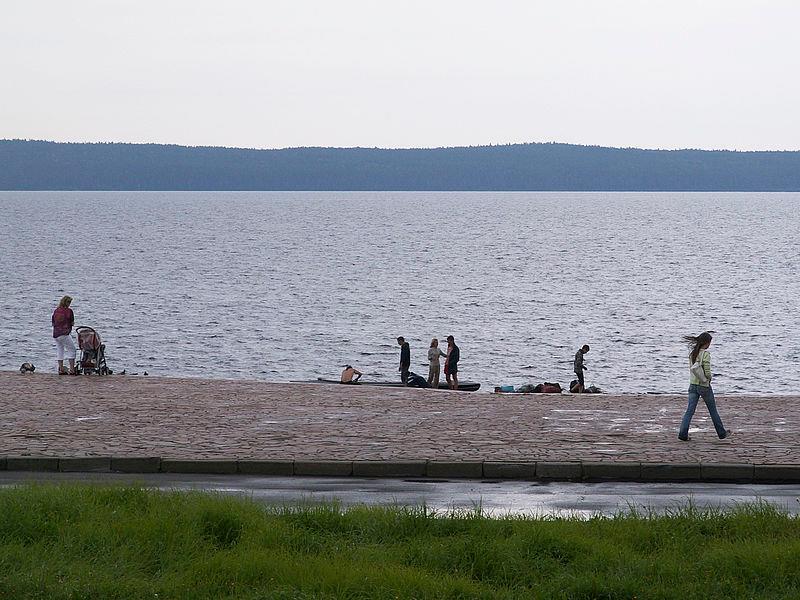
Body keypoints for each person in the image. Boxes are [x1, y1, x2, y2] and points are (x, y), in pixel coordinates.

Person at [678, 331, 730, 441]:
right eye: (709, 342)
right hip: (704, 386)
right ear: (706, 343)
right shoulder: (705, 354)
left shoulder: (693, 353)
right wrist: (710, 378)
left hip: (692, 385)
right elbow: (707, 371)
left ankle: (683, 434)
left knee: (689, 411)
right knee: (713, 410)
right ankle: (722, 433)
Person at [52, 295, 76, 375]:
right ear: (67, 302)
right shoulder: (69, 311)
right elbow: (72, 322)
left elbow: (53, 322)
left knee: (60, 350)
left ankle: (61, 369)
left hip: (56, 334)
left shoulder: (56, 310)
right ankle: (72, 369)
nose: (70, 304)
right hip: (64, 333)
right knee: (72, 350)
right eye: (69, 302)